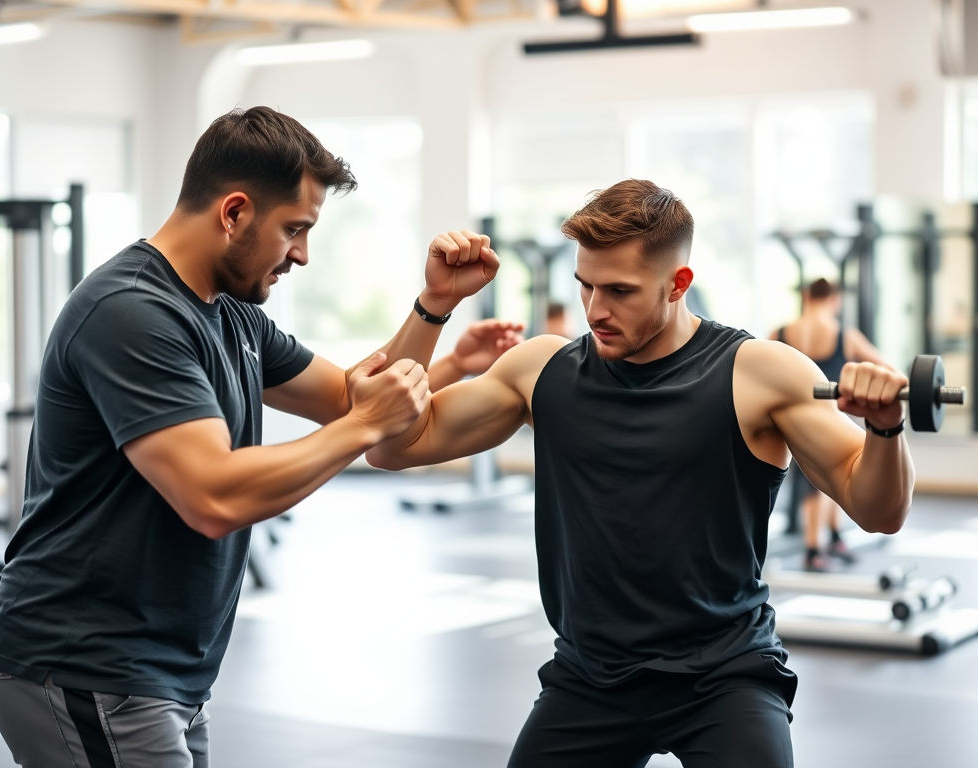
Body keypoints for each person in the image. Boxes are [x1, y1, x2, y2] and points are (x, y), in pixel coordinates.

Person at [0, 106, 519, 768]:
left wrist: (433, 307)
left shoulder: (228, 312)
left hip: (159, 671)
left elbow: (351, 395)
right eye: (295, 229)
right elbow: (213, 498)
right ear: (234, 213)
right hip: (84, 662)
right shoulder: (133, 314)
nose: (303, 255)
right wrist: (364, 426)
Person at [368, 179, 915, 768]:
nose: (596, 310)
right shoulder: (541, 369)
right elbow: (393, 446)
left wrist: (885, 428)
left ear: (678, 284)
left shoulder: (758, 372)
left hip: (724, 677)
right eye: (586, 286)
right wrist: (434, 307)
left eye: (620, 291)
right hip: (589, 677)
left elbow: (879, 510)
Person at [769, 278, 893, 572]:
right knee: (829, 474)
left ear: (807, 297)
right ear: (834, 299)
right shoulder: (844, 335)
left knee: (821, 476)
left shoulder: (780, 332)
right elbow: (887, 370)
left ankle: (834, 536)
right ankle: (813, 548)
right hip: (830, 419)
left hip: (790, 418)